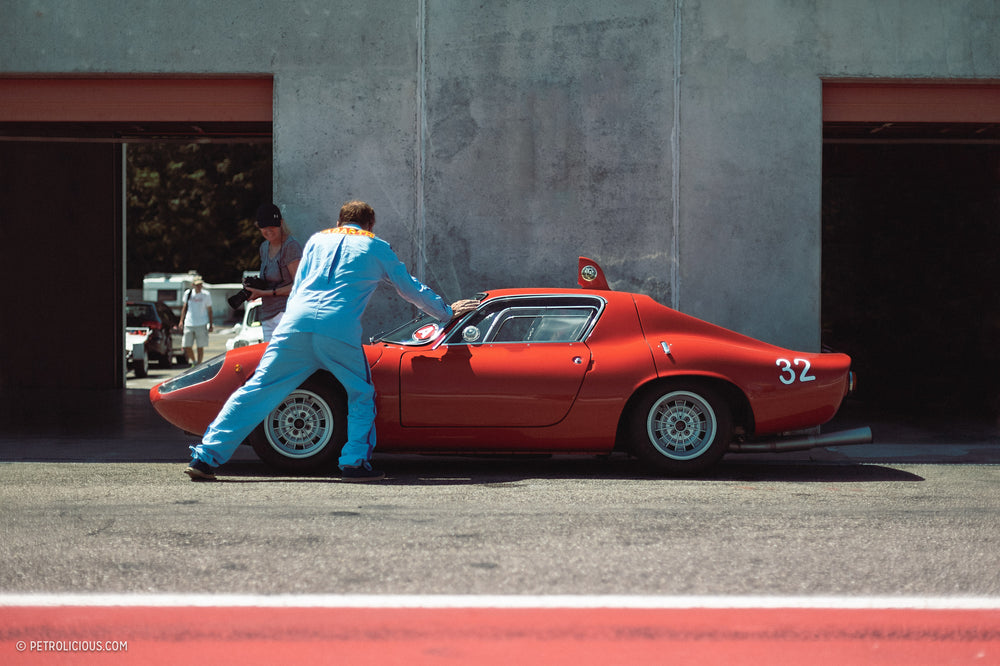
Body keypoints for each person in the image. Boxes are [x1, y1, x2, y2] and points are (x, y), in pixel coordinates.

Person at [185, 200, 478, 482]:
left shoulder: (315, 241)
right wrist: (446, 312)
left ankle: (205, 457)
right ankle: (354, 463)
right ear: (370, 225)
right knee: (360, 393)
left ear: (338, 222)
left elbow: (298, 286)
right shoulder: (375, 246)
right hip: (338, 327)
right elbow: (409, 288)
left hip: (295, 324)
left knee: (258, 390)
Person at [245, 203, 303, 341]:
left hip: (286, 313)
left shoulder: (290, 246)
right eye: (265, 227)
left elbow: (299, 286)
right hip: (266, 315)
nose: (269, 230)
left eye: (273, 226)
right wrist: (253, 287)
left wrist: (264, 293)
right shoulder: (264, 247)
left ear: (281, 223)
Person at [178, 278, 214, 365]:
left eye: (200, 284)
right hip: (189, 322)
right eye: (197, 285)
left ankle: (199, 364)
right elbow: (184, 307)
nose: (199, 287)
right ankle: (194, 361)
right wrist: (181, 321)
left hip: (202, 323)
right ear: (193, 285)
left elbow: (209, 310)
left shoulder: (206, 295)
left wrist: (211, 324)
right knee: (186, 345)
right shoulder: (188, 293)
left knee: (200, 346)